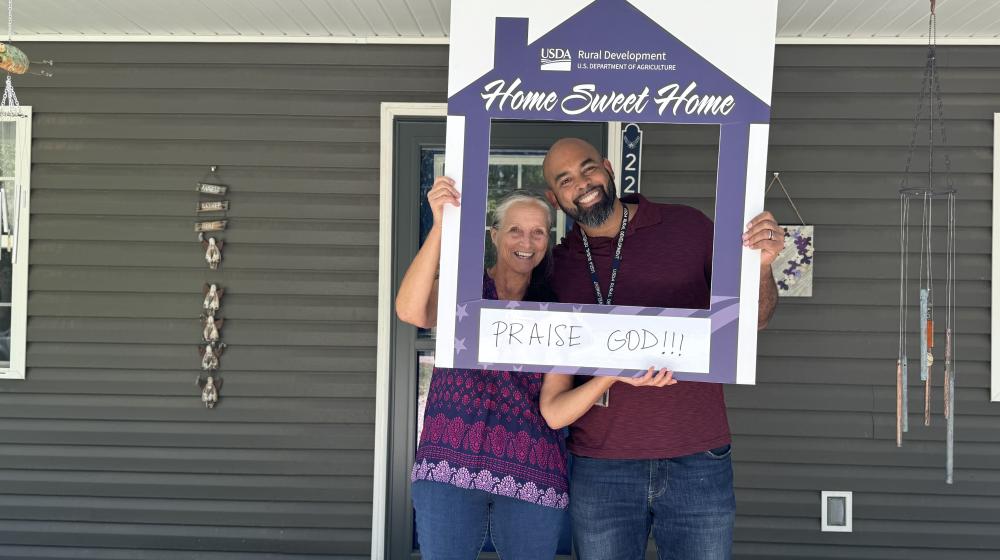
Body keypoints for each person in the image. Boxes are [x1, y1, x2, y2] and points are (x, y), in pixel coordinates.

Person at [539, 138, 782, 560]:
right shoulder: (557, 267)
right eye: (566, 180)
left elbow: (754, 319)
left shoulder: (688, 227)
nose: (583, 183)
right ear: (555, 198)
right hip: (601, 465)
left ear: (609, 168)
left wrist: (762, 267)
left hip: (698, 457)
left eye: (588, 168)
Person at [398, 178, 662, 559]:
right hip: (449, 464)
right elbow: (409, 309)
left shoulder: (555, 308)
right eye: (515, 230)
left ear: (548, 239)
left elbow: (555, 414)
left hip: (532, 474)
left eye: (538, 232)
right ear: (494, 235)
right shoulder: (464, 290)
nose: (526, 242)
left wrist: (612, 373)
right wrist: (441, 226)